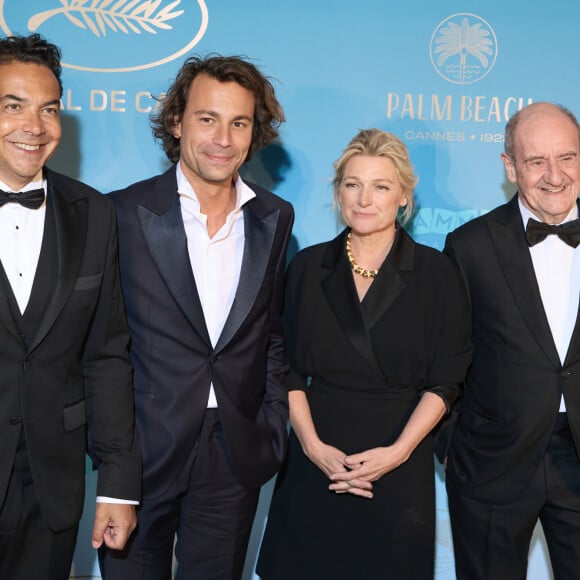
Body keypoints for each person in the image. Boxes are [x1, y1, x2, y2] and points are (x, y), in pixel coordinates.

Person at [98, 55, 294, 580]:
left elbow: (270, 335)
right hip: (143, 449)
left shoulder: (274, 218)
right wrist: (116, 464)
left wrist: (272, 425)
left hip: (234, 449)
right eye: (207, 119)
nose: (223, 139)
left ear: (256, 133)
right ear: (177, 122)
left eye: (239, 123)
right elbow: (104, 348)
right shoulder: (120, 213)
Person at [257, 128, 471, 579]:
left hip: (398, 465)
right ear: (338, 193)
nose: (364, 199)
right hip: (316, 462)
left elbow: (446, 380)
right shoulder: (308, 266)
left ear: (404, 198)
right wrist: (314, 449)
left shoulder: (437, 273)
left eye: (381, 186)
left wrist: (396, 453)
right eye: (352, 184)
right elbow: (288, 370)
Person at [0, 34, 140, 580]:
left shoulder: (94, 214)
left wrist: (118, 483)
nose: (34, 126)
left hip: (52, 489)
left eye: (48, 109)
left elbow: (107, 356)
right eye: (12, 105)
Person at [438, 102, 580, 579]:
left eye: (567, 157)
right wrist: (454, 448)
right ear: (509, 166)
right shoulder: (469, 246)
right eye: (536, 161)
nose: (554, 176)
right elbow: (443, 360)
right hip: (490, 463)